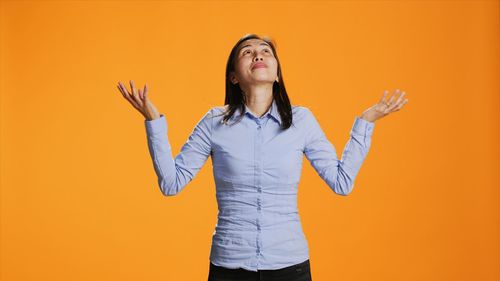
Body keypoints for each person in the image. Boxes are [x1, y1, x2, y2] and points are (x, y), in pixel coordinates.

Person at [117, 33, 409, 281]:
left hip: (290, 266)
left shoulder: (301, 121)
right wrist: (154, 121)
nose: (258, 54)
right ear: (234, 76)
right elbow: (171, 183)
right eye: (247, 52)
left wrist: (366, 122)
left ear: (278, 73)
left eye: (265, 51)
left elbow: (342, 182)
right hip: (229, 266)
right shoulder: (214, 122)